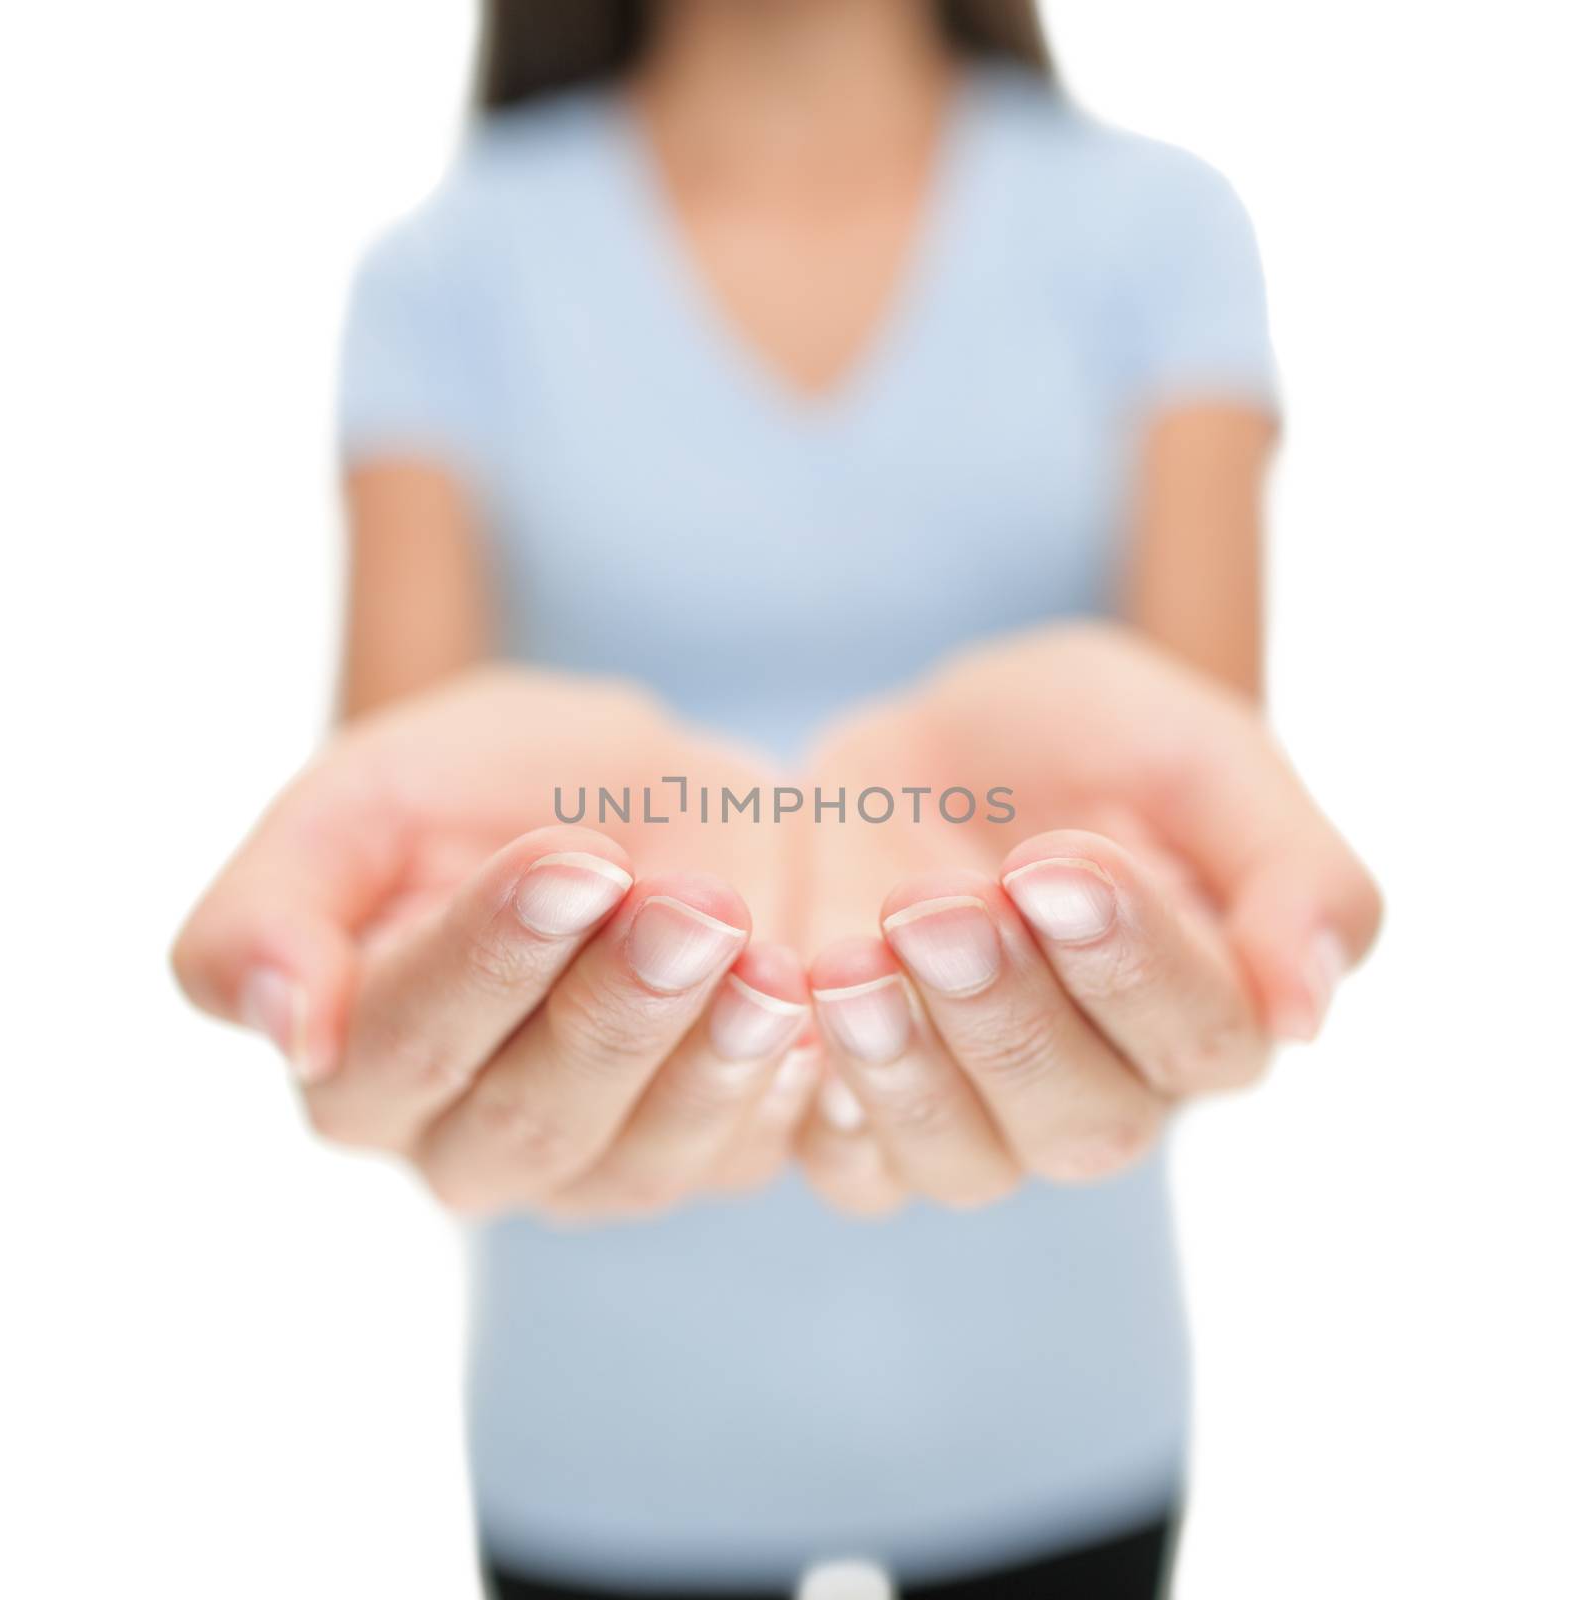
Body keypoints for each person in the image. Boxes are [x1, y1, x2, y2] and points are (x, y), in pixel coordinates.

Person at [173, 2, 1380, 1596]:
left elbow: (1202, 776)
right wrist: (405, 945)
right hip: (606, 1406)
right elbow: (405, 818)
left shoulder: (1152, 225)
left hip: (1056, 1377)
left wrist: (1189, 887)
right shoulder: (451, 264)